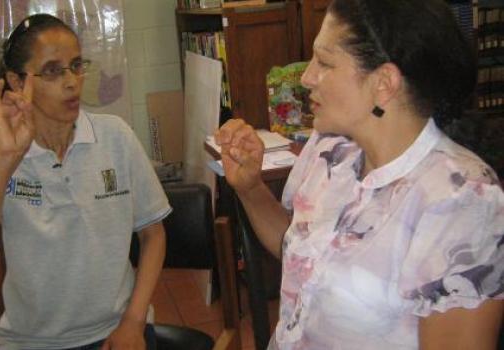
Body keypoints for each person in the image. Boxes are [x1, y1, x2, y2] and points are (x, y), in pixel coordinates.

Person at [215, 0, 504, 349]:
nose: (306, 77)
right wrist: (250, 189)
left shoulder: (462, 201)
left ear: (384, 82)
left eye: (323, 62)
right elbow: (302, 254)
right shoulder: (329, 149)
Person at [0, 14, 169, 350]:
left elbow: (153, 235)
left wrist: (133, 322)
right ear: (16, 81)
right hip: (31, 341)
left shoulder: (115, 137)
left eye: (77, 65)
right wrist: (7, 158)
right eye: (53, 70)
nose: (72, 82)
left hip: (118, 329)